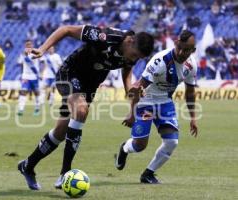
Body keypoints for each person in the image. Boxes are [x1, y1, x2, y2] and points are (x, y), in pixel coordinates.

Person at [17, 24, 154, 190]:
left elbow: (127, 72)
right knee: (81, 110)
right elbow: (66, 29)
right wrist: (43, 49)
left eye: (137, 58)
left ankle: (27, 166)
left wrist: (130, 90)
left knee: (60, 133)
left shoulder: (132, 53)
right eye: (134, 55)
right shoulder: (104, 36)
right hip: (70, 73)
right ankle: (65, 173)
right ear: (130, 41)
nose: (133, 59)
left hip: (90, 85)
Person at [114, 30, 198, 184]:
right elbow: (139, 88)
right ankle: (125, 148)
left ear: (193, 50)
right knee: (140, 145)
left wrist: (193, 117)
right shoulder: (160, 61)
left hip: (165, 103)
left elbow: (190, 93)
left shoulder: (191, 65)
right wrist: (131, 113)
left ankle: (148, 174)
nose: (180, 52)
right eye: (179, 46)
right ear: (175, 43)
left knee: (172, 142)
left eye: (186, 49)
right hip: (146, 102)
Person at [17, 40, 41, 116]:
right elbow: (19, 63)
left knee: (36, 93)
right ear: (25, 46)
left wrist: (41, 73)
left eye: (30, 45)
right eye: (27, 45)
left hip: (34, 76)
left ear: (32, 46)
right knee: (23, 92)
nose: (28, 47)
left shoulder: (36, 52)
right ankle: (21, 109)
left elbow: (42, 60)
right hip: (26, 76)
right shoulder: (22, 55)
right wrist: (22, 75)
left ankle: (37, 108)